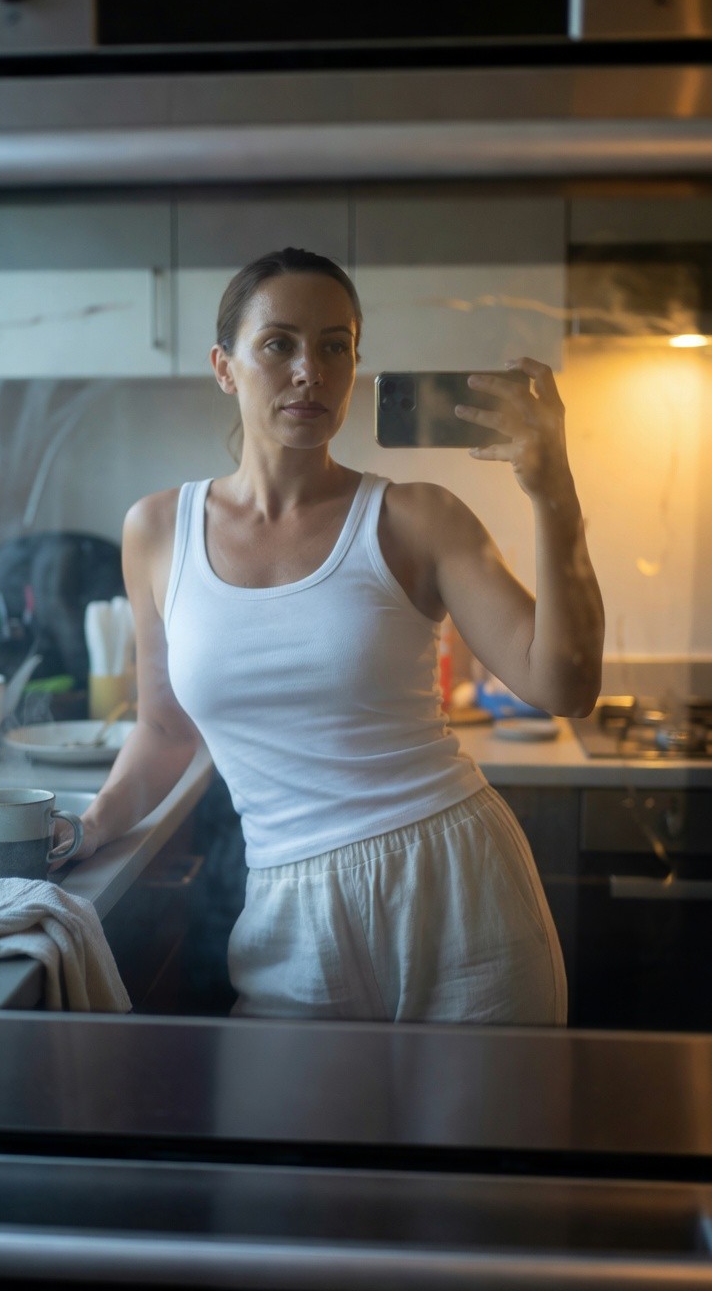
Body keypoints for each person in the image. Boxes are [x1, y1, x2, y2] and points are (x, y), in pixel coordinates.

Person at [64, 246, 605, 1025]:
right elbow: (164, 731)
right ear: (224, 367)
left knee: (484, 1115)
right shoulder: (156, 531)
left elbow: (566, 686)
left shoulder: (418, 517)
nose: (308, 371)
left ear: (355, 367)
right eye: (278, 343)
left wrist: (555, 495)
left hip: (458, 886)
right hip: (288, 907)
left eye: (334, 347)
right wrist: (91, 826)